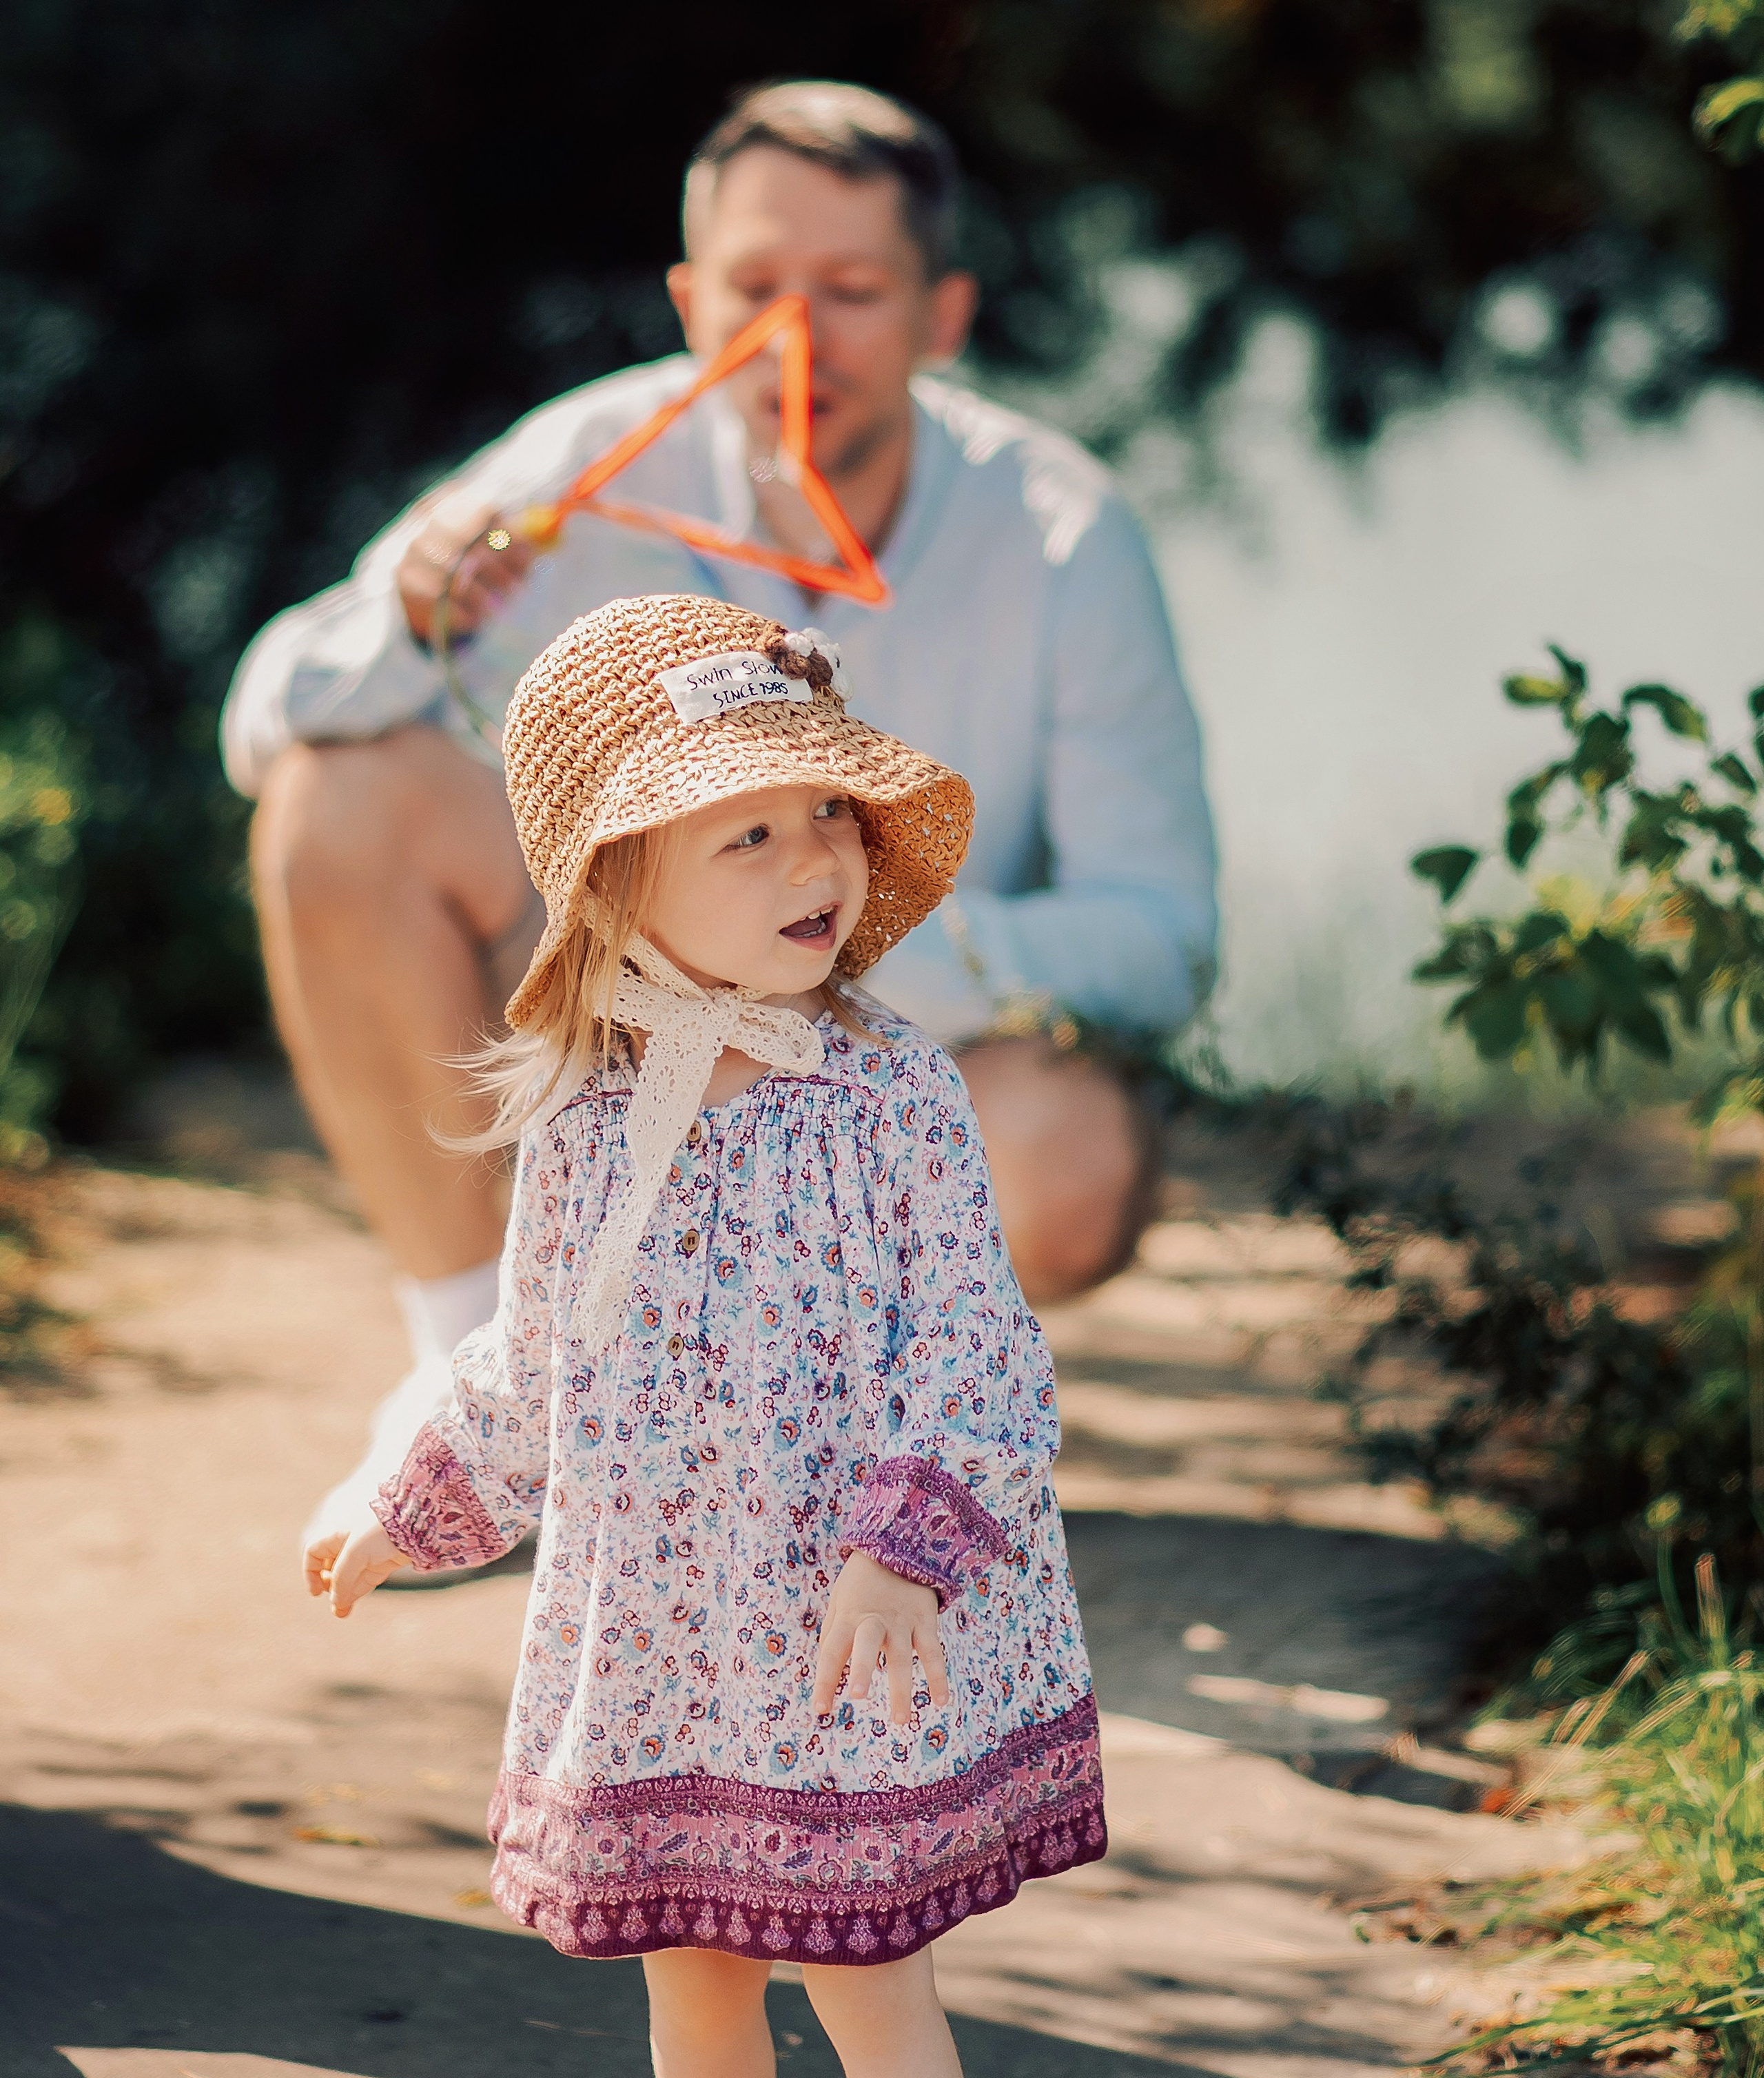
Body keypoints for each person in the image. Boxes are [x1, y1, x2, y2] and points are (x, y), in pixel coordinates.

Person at [307, 593, 1105, 2078]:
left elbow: (978, 1347)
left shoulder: (895, 1092)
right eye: (743, 834)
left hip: (847, 1639)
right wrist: (397, 1498)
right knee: (696, 1964)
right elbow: (527, 1365)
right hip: (667, 1640)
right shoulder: (586, 1117)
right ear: (616, 888)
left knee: (869, 1979)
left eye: (821, 814)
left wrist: (907, 1540)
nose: (810, 857)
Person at [225, 79, 1216, 1543]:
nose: (791, 339)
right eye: (754, 286)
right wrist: (407, 609)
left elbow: (1165, 939)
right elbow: (269, 720)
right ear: (691, 299)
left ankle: (822, 1448)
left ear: (943, 316)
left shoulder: (1062, 531)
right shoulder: (591, 462)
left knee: (1069, 1163)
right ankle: (481, 1386)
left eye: (851, 290)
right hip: (624, 1038)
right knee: (340, 803)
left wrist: (844, 959)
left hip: (889, 1059)